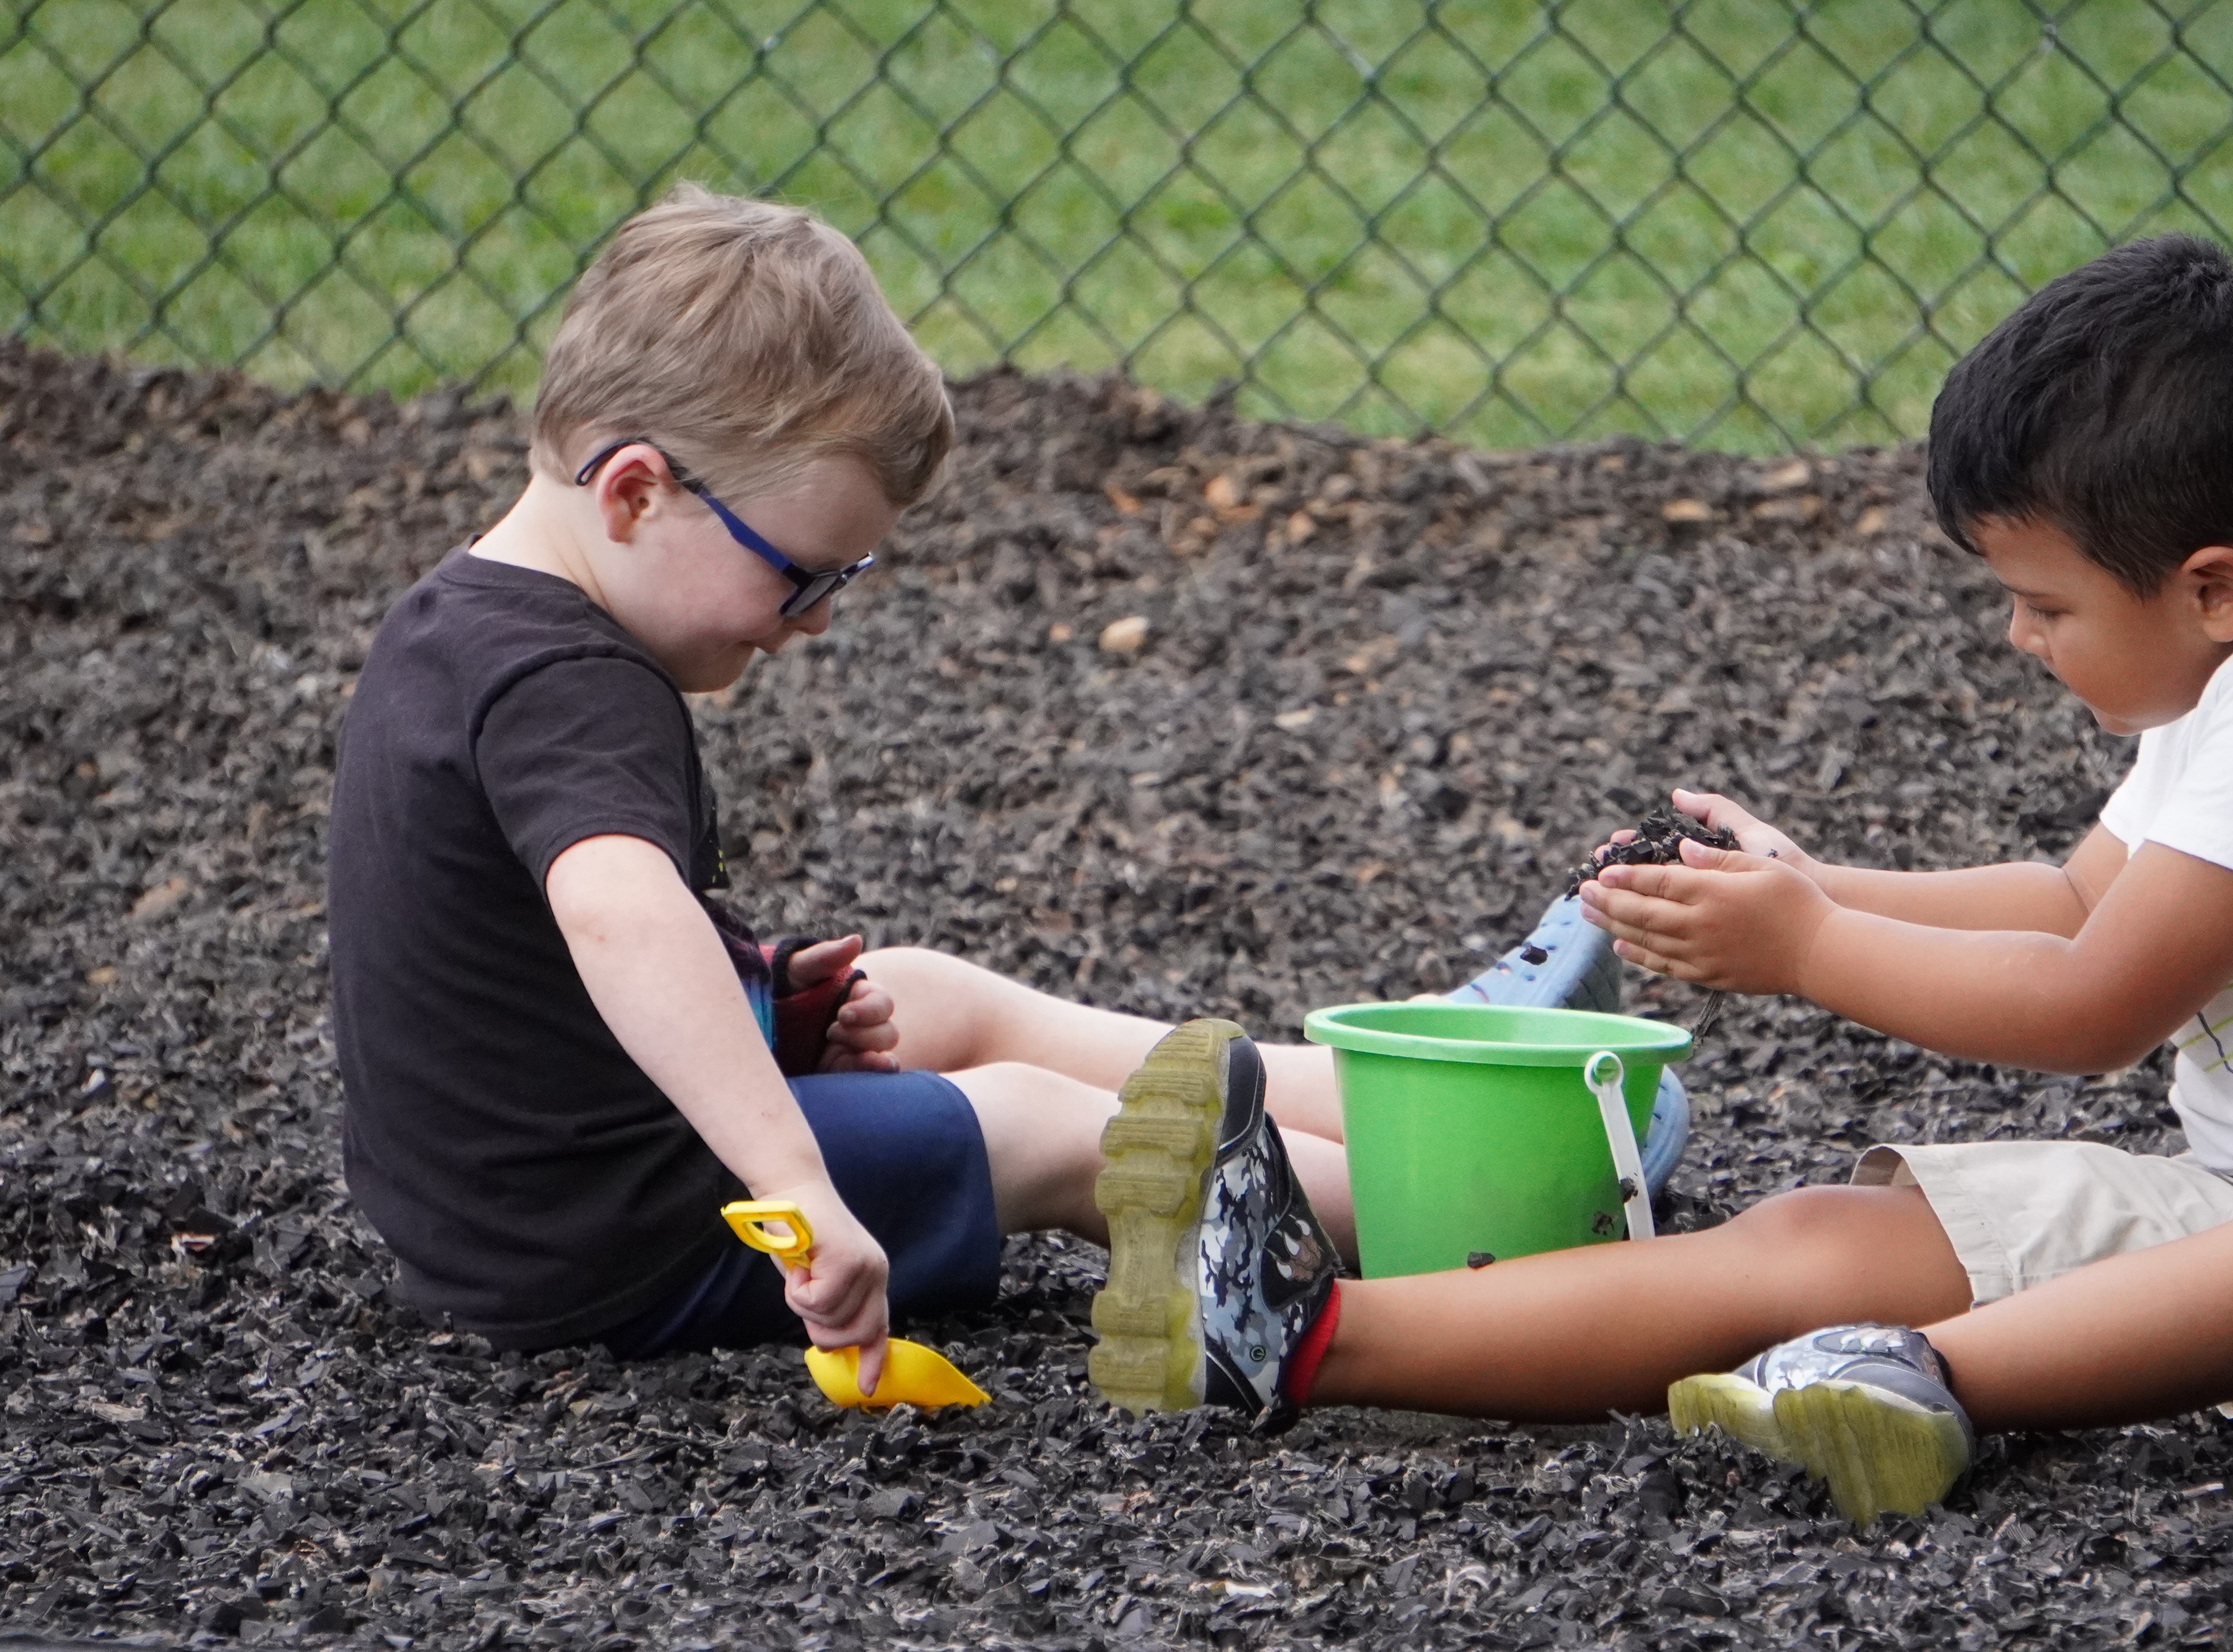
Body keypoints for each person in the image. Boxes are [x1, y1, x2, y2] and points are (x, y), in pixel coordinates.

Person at [1084, 233, 2233, 1523]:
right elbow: (2077, 901)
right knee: (1823, 1233)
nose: (2022, 638)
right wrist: (1816, 884)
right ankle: (1305, 1332)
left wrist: (1809, 944)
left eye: (2044, 604)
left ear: (2212, 587)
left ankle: (1921, 1382)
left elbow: (2095, 1004)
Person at [328, 185, 1680, 1390]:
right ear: (635, 491)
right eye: (801, 573)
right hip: (625, 1233)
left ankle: (1393, 1091)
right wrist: (794, 1184)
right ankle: (1481, 1217)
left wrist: (760, 997)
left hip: (512, 1209)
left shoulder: (463, 625)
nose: (812, 621)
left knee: (934, 997)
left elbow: (528, 974)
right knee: (1042, 1125)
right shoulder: (580, 684)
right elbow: (620, 915)